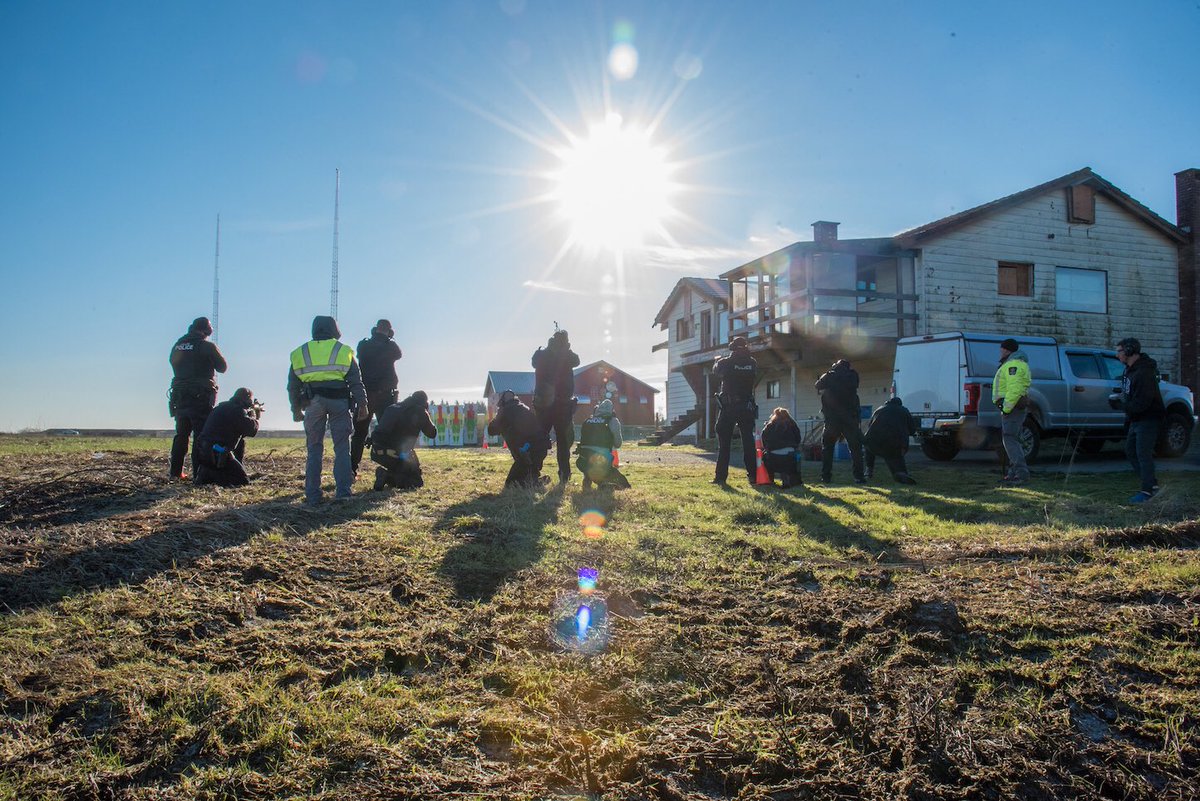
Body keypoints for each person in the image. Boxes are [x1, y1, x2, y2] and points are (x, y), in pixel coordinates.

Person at [287, 315, 369, 506]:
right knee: (342, 448)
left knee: (314, 449)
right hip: (339, 402)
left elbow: (292, 385)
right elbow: (355, 381)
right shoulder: (344, 351)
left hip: (312, 403)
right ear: (335, 330)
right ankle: (343, 493)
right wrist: (363, 404)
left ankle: (313, 495)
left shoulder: (300, 352)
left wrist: (296, 409)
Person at [168, 317, 227, 480]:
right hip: (200, 397)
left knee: (181, 435)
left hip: (180, 396)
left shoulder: (178, 345)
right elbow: (223, 367)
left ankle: (175, 473)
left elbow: (173, 363)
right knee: (200, 435)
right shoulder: (206, 346)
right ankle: (198, 473)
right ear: (205, 330)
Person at [1114, 337, 1165, 504]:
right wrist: (1120, 402)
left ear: (1129, 350)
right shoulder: (1128, 370)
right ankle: (1152, 485)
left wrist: (1122, 406)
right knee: (1131, 451)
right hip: (1135, 419)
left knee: (1143, 454)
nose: (1117, 355)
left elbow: (1143, 402)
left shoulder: (1144, 372)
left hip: (1148, 418)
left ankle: (1147, 491)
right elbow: (1129, 395)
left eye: (1119, 351)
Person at [351, 319, 403, 475]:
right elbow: (398, 354)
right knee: (390, 432)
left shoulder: (364, 345)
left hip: (365, 397)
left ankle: (352, 469)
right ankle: (394, 468)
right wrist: (388, 338)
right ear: (389, 331)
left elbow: (361, 355)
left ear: (375, 330)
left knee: (359, 434)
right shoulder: (390, 346)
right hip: (385, 396)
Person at [531, 329, 580, 482]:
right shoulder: (566, 355)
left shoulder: (541, 354)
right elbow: (576, 360)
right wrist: (566, 348)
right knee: (563, 443)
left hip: (543, 404)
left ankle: (532, 472)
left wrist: (549, 348)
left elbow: (534, 362)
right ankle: (564, 476)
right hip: (562, 405)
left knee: (539, 438)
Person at [712, 337, 758, 486]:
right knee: (748, 442)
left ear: (732, 347)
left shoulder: (725, 362)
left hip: (729, 407)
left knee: (724, 443)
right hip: (746, 407)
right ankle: (753, 476)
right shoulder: (752, 363)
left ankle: (720, 478)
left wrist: (716, 361)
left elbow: (716, 372)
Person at [370, 390, 437, 491]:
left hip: (376, 451)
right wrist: (427, 414)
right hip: (397, 454)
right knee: (416, 482)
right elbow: (432, 433)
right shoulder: (420, 411)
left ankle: (388, 474)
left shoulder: (393, 407)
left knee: (401, 466)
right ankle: (387, 476)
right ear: (424, 402)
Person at [194, 388, 261, 487]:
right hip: (219, 453)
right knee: (243, 482)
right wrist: (256, 416)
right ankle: (219, 476)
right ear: (246, 399)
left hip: (204, 453)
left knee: (240, 441)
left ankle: (207, 475)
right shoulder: (238, 411)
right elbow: (251, 430)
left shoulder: (220, 407)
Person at [488, 390, 551, 489]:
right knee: (528, 471)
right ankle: (535, 480)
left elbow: (491, 430)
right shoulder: (524, 409)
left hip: (528, 452)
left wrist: (497, 418)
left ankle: (533, 482)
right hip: (540, 447)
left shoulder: (505, 412)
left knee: (511, 484)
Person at [816, 359, 865, 484]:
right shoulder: (853, 375)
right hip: (850, 417)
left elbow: (818, 385)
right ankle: (859, 477)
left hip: (832, 419)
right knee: (856, 449)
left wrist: (829, 373)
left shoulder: (830, 375)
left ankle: (826, 476)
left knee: (828, 448)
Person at [992, 338, 1031, 486]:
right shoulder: (1014, 364)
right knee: (1012, 439)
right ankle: (1012, 474)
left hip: (1012, 409)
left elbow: (1014, 389)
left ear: (1007, 350)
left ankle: (1021, 474)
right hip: (1014, 408)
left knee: (1010, 440)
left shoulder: (1013, 365)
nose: (1000, 351)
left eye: (1002, 348)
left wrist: (1006, 408)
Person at [576, 399, 630, 490]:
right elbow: (618, 444)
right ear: (612, 410)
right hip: (602, 462)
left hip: (582, 462)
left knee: (589, 456)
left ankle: (587, 481)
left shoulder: (587, 421)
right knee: (623, 485)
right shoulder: (612, 421)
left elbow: (583, 442)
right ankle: (605, 484)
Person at [863, 396, 918, 484]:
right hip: (897, 444)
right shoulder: (904, 410)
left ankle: (869, 470)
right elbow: (912, 430)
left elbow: (870, 427)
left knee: (868, 446)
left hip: (875, 443)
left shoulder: (879, 409)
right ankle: (901, 473)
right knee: (895, 456)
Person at [760, 407, 803, 488]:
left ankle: (770, 478)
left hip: (773, 457)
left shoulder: (770, 425)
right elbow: (798, 439)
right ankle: (792, 479)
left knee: (765, 456)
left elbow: (764, 439)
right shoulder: (792, 424)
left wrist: (767, 449)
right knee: (795, 457)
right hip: (789, 457)